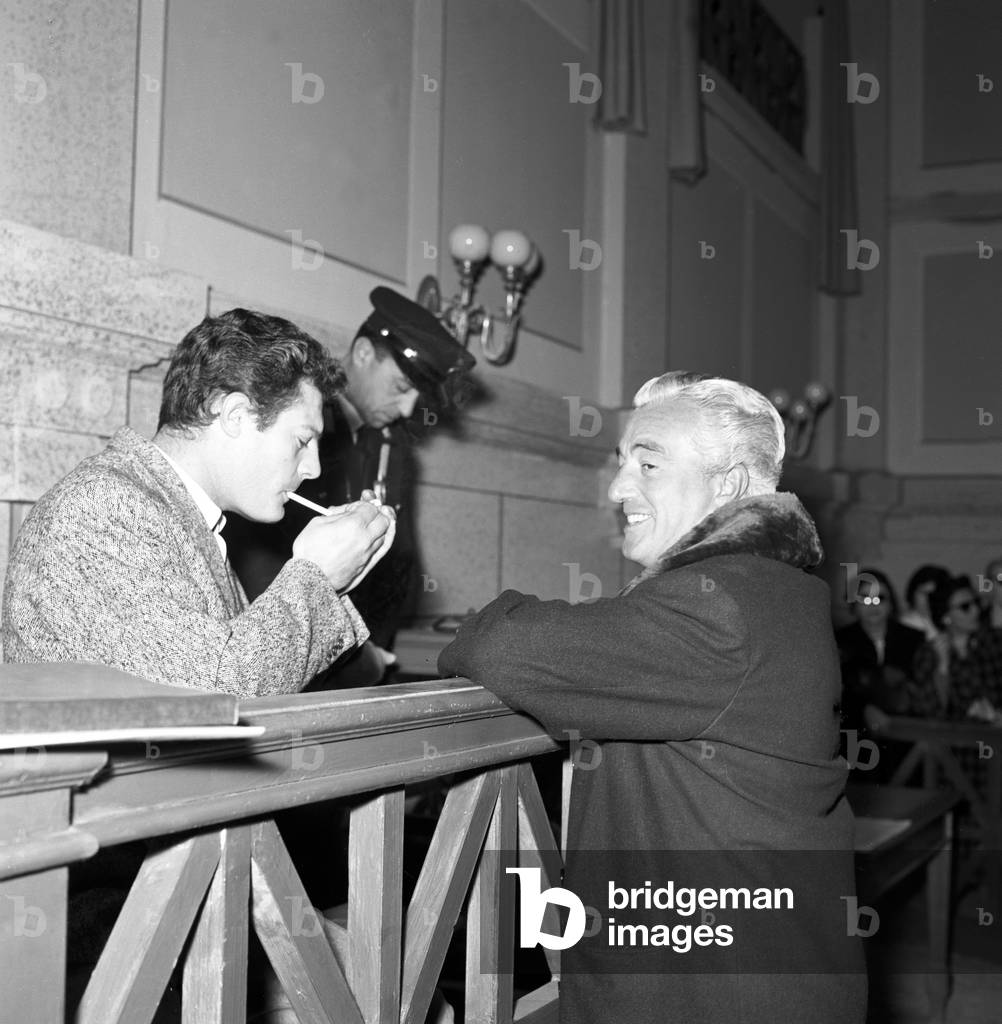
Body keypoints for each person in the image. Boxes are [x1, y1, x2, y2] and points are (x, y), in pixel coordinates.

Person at [438, 371, 866, 1024]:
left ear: (729, 485)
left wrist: (478, 622)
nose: (617, 488)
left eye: (648, 464)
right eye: (621, 463)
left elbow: (502, 647)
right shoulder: (773, 589)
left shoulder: (722, 604)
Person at [2, 307, 395, 696]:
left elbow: (247, 666)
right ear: (235, 415)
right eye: (303, 440)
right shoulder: (104, 507)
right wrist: (317, 575)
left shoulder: (179, 515)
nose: (313, 469)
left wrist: (336, 578)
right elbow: (218, 692)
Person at [225, 286, 475, 686]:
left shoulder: (395, 448)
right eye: (400, 387)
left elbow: (399, 562)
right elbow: (255, 554)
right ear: (362, 353)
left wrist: (372, 650)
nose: (408, 409)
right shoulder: (293, 428)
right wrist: (350, 654)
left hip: (363, 658)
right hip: (281, 657)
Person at [835, 568, 925, 779]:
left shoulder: (913, 639)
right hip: (857, 744)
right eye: (864, 598)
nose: (873, 605)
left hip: (907, 742)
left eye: (880, 598)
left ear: (891, 603)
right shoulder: (839, 640)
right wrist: (863, 708)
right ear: (853, 604)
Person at [908, 575, 1002, 721]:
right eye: (965, 607)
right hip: (957, 731)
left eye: (976, 602)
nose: (975, 610)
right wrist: (942, 668)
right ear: (946, 617)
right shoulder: (930, 652)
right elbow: (928, 709)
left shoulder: (994, 640)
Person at [899, 563, 950, 640]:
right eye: (924, 593)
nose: (928, 599)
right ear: (912, 593)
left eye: (934, 594)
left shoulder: (952, 621)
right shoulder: (904, 626)